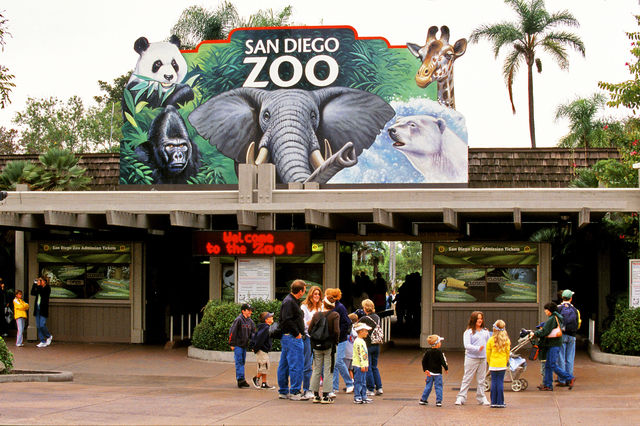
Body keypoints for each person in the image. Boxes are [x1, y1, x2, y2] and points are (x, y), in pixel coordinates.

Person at [531, 302, 576, 391]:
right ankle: (548, 385)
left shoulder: (552, 319)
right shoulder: (557, 317)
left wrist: (534, 334)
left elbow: (545, 331)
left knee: (552, 364)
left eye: (546, 310)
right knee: (548, 365)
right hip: (554, 343)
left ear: (549, 311)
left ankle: (569, 377)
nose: (545, 312)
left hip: (553, 344)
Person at [277, 279, 307, 400]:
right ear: (300, 291)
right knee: (296, 364)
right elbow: (287, 320)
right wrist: (297, 333)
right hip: (292, 337)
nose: (305, 292)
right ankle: (295, 391)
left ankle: (283, 390)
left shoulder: (288, 300)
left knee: (284, 364)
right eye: (304, 290)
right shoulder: (290, 302)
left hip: (287, 337)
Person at [309, 295, 340, 403]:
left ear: (324, 303)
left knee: (316, 369)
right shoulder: (335, 315)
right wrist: (335, 341)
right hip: (329, 346)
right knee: (328, 369)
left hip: (317, 345)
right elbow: (336, 331)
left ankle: (316, 395)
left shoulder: (317, 315)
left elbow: (310, 330)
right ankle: (326, 396)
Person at [455, 311, 491, 406]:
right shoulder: (468, 332)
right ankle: (461, 397)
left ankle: (482, 398)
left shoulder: (485, 332)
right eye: (478, 318)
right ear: (473, 319)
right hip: (471, 358)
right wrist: (478, 348)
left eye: (481, 318)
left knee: (481, 379)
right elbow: (467, 345)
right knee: (467, 378)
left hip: (483, 359)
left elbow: (488, 344)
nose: (480, 320)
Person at [325, 287, 354, 396]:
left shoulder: (340, 307)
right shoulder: (335, 307)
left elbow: (346, 322)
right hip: (335, 338)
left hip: (340, 339)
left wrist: (339, 334)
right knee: (335, 362)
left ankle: (349, 382)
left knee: (337, 361)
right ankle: (335, 386)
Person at [300, 285, 323, 400]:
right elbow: (304, 324)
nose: (317, 296)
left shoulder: (321, 307)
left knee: (319, 365)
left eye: (318, 294)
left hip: (320, 338)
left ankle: (316, 390)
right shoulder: (304, 307)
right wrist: (314, 319)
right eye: (315, 294)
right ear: (310, 295)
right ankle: (306, 389)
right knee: (308, 365)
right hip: (309, 338)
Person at [358, 298, 384, 396]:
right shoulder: (377, 317)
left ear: (365, 308)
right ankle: (379, 387)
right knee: (374, 367)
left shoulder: (364, 319)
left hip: (367, 345)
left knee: (367, 367)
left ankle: (370, 388)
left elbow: (356, 326)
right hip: (376, 344)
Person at [229, 303, 256, 388]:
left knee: (242, 361)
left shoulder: (250, 321)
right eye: (249, 310)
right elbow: (232, 332)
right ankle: (240, 380)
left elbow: (253, 334)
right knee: (239, 361)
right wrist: (232, 343)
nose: (250, 312)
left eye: (251, 310)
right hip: (237, 345)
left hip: (244, 345)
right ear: (243, 311)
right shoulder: (239, 320)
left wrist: (253, 344)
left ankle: (242, 378)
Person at [557, 289, 581, 386]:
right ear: (571, 298)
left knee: (561, 358)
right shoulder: (575, 310)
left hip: (561, 335)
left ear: (562, 297)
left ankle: (562, 380)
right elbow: (578, 323)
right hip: (572, 336)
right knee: (570, 358)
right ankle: (569, 378)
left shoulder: (558, 308)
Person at [486, 320, 510, 408]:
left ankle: (493, 402)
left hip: (493, 363)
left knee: (493, 382)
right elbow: (508, 353)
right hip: (502, 364)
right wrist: (506, 361)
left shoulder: (491, 340)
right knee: (500, 382)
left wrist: (489, 362)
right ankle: (500, 402)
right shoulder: (506, 340)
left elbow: (488, 353)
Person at [419, 334, 448, 407]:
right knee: (438, 387)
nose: (440, 343)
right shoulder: (439, 352)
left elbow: (424, 361)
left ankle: (423, 399)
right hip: (438, 373)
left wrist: (425, 370)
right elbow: (443, 361)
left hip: (429, 373)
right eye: (440, 342)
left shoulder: (428, 352)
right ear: (437, 343)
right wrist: (446, 368)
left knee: (428, 386)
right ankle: (438, 401)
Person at [251, 312, 276, 390]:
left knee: (264, 366)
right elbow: (259, 339)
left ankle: (264, 383)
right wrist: (255, 348)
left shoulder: (265, 327)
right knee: (264, 366)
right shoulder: (265, 328)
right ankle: (256, 378)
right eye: (270, 317)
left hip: (263, 350)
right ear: (266, 319)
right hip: (261, 350)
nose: (272, 318)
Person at [351, 321, 371, 404]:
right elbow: (360, 354)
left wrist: (366, 364)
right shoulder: (358, 341)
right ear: (360, 331)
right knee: (358, 381)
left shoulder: (361, 341)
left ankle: (363, 396)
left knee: (363, 381)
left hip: (362, 365)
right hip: (359, 365)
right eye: (365, 331)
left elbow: (364, 354)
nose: (367, 333)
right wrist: (363, 365)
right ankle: (357, 396)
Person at [31, 276, 52, 347]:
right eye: (39, 281)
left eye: (41, 281)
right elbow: (32, 292)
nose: (39, 282)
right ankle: (42, 341)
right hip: (37, 308)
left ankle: (48, 336)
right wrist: (34, 284)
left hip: (43, 309)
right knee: (38, 326)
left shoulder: (47, 288)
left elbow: (42, 293)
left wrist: (38, 286)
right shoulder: (39, 287)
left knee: (42, 324)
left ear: (44, 281)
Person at [344, 313, 358, 382]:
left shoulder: (347, 329)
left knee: (345, 369)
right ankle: (352, 381)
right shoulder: (357, 329)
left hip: (347, 352)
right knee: (351, 369)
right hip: (354, 352)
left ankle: (349, 383)